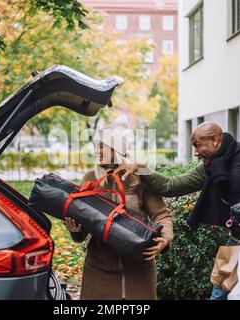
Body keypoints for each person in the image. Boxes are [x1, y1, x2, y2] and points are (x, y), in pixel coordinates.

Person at [114, 122, 240, 300]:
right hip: (237, 239)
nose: (195, 153)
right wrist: (141, 169)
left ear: (214, 140)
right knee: (219, 294)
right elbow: (172, 186)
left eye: (198, 145)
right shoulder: (209, 167)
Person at [63, 125, 173, 300]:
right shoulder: (90, 180)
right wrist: (76, 230)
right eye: (95, 146)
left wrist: (165, 238)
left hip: (139, 270)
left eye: (102, 146)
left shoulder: (139, 178)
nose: (96, 151)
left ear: (116, 148)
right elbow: (84, 221)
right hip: (99, 270)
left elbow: (161, 214)